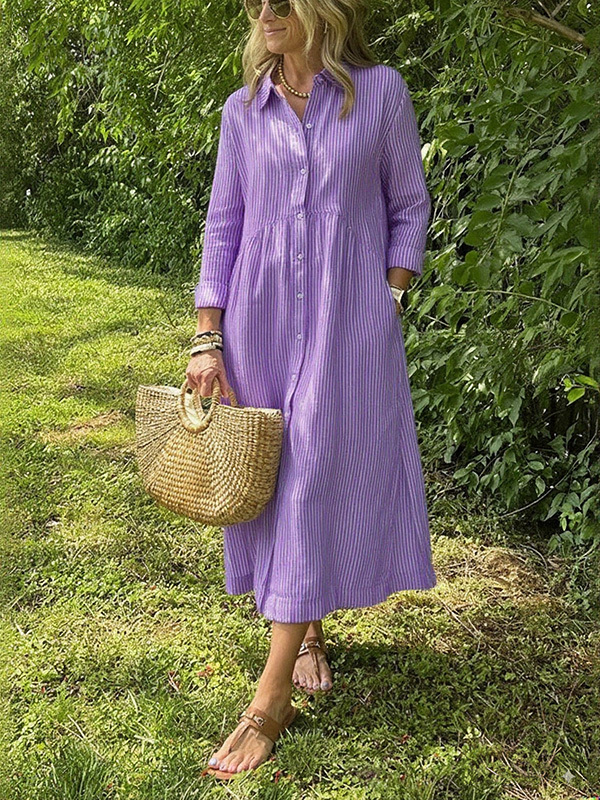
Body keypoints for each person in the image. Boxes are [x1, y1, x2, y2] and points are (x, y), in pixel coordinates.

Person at [187, 0, 437, 780]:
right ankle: (309, 630)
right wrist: (207, 336)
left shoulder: (381, 93)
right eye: (254, 0)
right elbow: (224, 224)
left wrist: (387, 299)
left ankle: (269, 701)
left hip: (346, 326)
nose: (263, 10)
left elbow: (409, 206)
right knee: (282, 483)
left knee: (311, 477)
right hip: (259, 326)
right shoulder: (242, 112)